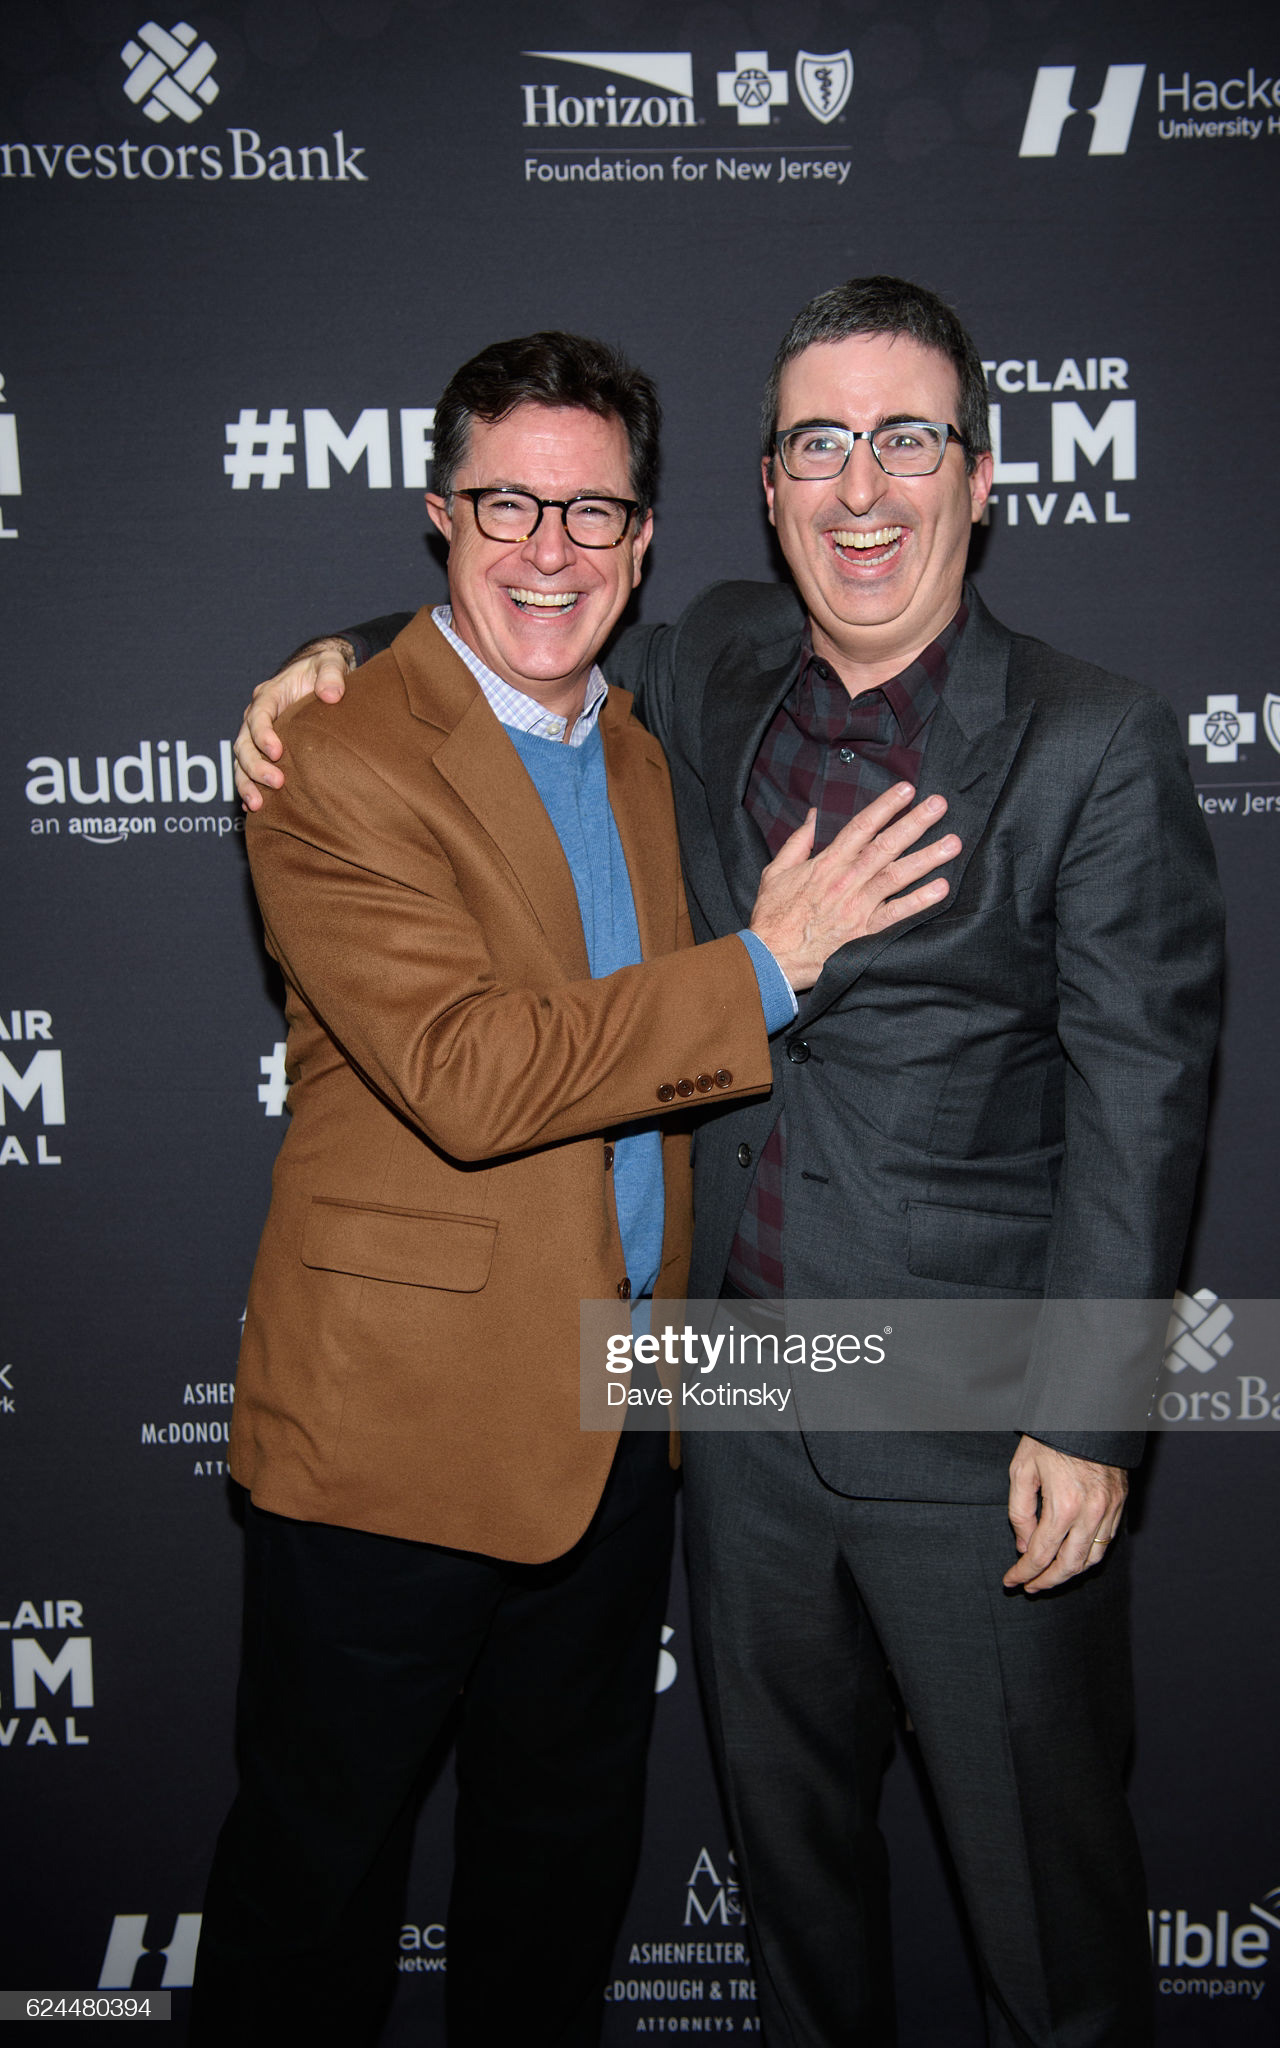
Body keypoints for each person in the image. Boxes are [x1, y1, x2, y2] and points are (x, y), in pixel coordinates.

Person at [236, 281, 1224, 2047]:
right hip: (716, 1426)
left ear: (983, 474)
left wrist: (1090, 1414)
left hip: (965, 1434)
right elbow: (508, 630)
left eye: (906, 438)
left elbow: (1144, 1095)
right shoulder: (711, 668)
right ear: (770, 493)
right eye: (819, 444)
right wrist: (328, 654)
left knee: (1041, 1922)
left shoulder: (1091, 737)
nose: (863, 486)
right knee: (789, 1912)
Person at [196, 326, 960, 2048]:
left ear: (644, 536)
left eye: (591, 512)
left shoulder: (645, 744)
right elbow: (471, 1076)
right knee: (312, 1898)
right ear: (439, 512)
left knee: (555, 1895)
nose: (549, 549)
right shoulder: (333, 752)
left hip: (617, 1431)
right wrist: (769, 965)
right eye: (508, 505)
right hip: (391, 1438)